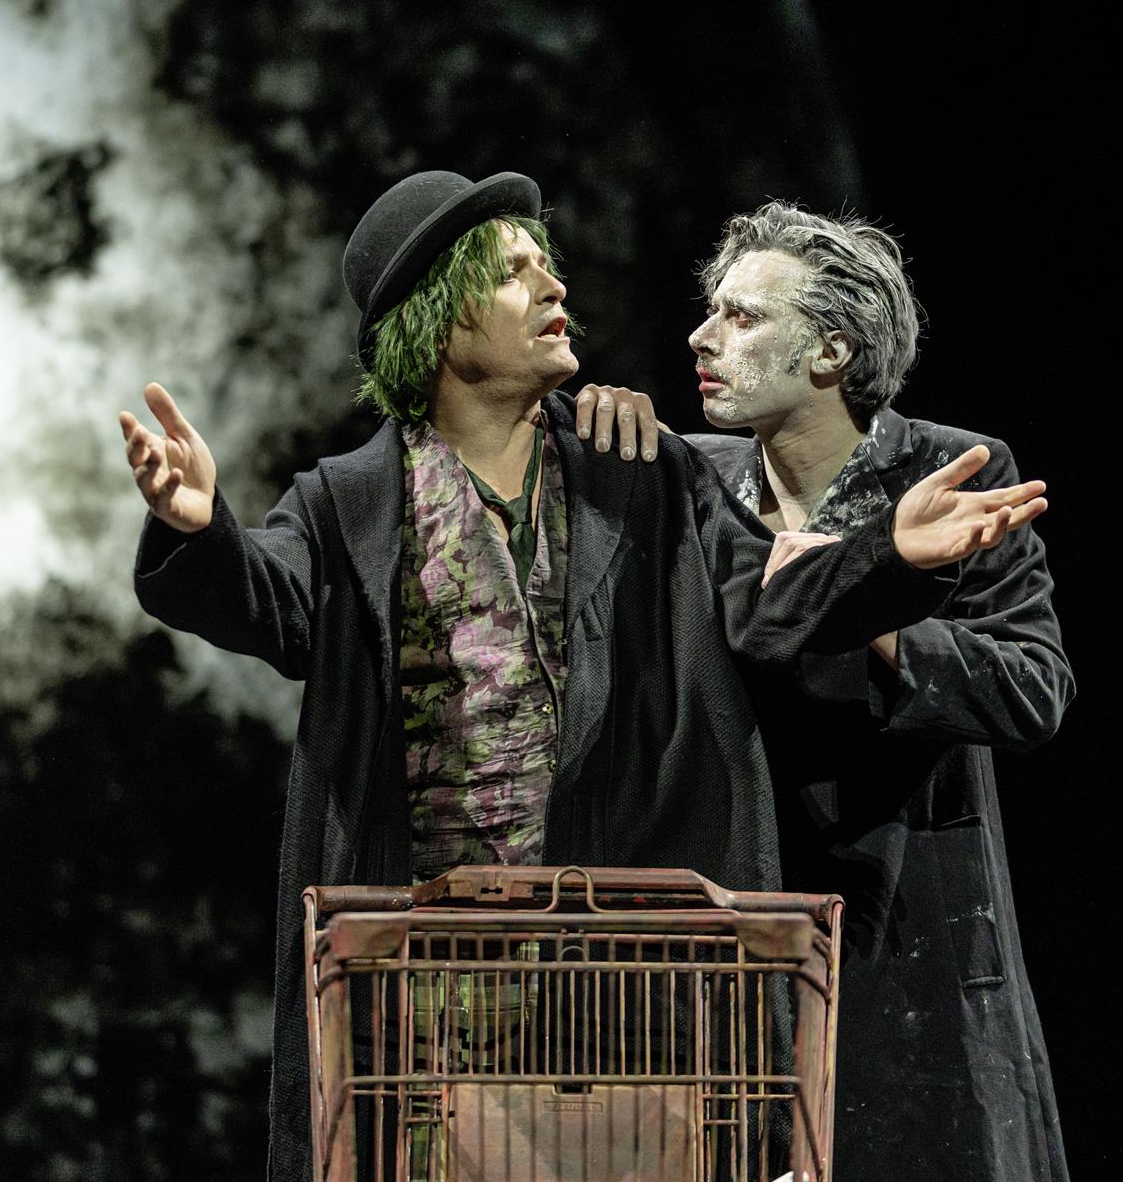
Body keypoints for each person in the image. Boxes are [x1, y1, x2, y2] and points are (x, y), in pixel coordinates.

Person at [118, 171, 1049, 1180]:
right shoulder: (346, 503)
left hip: (627, 983)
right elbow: (269, 601)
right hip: (424, 998)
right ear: (435, 321)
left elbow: (766, 602)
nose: (554, 285)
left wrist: (887, 559)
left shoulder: (640, 472)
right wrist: (199, 531)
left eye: (546, 263)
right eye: (512, 273)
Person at [668, 200, 1073, 1182]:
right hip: (733, 909)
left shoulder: (949, 470)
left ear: (831, 350)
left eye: (741, 316)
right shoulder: (691, 481)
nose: (701, 337)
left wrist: (881, 617)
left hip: (905, 916)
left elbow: (1032, 688)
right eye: (711, 311)